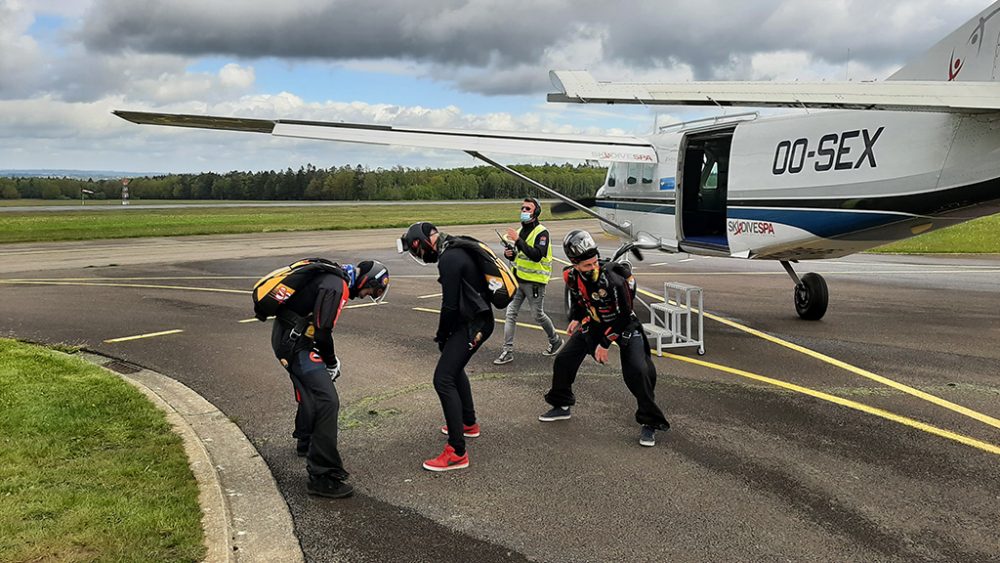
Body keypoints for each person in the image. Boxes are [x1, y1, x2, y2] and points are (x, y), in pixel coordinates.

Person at [538, 230, 670, 446]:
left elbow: (624, 316)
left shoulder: (612, 280)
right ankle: (561, 405)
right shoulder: (570, 276)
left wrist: (605, 343)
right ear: (575, 264)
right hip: (594, 323)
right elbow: (579, 298)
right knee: (564, 361)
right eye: (587, 266)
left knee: (638, 370)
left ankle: (650, 422)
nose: (593, 268)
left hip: (624, 324)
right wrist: (577, 317)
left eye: (594, 262)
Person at [271, 259, 389, 498]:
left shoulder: (334, 278)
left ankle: (305, 441)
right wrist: (332, 362)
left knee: (311, 390)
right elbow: (324, 332)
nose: (366, 295)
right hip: (295, 344)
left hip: (290, 338)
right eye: (370, 290)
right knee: (327, 400)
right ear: (366, 281)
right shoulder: (337, 286)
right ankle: (322, 476)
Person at [399, 221, 495, 471]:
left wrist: (442, 335)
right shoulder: (455, 247)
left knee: (442, 379)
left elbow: (450, 306)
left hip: (473, 325)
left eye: (415, 250)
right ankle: (468, 423)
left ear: (421, 243)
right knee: (453, 369)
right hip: (476, 320)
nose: (418, 255)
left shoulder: (449, 258)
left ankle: (457, 452)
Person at [494, 197, 563, 365]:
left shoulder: (542, 233)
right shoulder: (521, 231)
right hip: (518, 280)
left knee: (537, 315)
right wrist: (510, 253)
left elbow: (536, 255)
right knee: (510, 314)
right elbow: (520, 254)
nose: (524, 211)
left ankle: (555, 341)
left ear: (536, 212)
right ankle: (507, 351)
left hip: (535, 283)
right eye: (522, 208)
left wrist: (517, 240)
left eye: (528, 209)